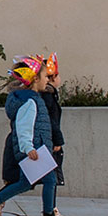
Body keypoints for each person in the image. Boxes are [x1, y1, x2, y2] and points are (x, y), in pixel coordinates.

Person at [0, 56, 70, 216]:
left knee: (27, 183)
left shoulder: (34, 99)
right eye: (45, 77)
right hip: (34, 150)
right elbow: (23, 127)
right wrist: (28, 148)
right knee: (49, 180)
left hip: (36, 149)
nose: (47, 80)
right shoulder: (30, 102)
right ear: (35, 80)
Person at [40, 51, 66, 182]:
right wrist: (57, 140)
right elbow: (50, 119)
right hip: (48, 140)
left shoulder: (49, 96)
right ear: (53, 77)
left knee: (51, 179)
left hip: (48, 139)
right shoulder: (48, 96)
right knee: (51, 178)